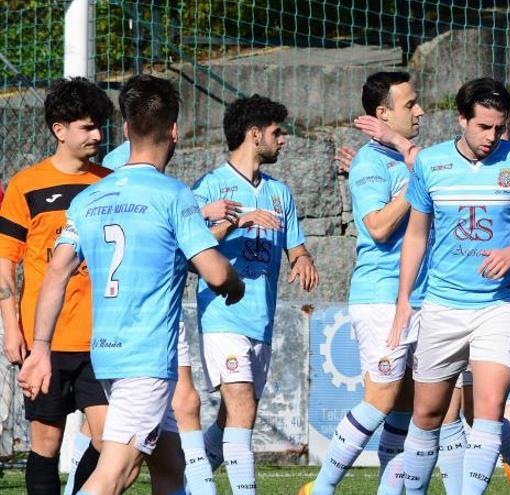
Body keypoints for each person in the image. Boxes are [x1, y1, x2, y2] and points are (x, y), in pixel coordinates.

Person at [18, 73, 245, 495]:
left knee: (170, 460)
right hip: (146, 359)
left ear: (124, 129)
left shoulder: (90, 198)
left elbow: (56, 271)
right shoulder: (173, 195)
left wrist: (41, 348)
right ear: (173, 131)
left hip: (104, 357)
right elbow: (215, 272)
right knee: (116, 473)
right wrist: (235, 284)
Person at [352, 92, 510, 495]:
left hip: (501, 305)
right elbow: (415, 234)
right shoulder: (432, 163)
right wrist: (403, 304)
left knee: (488, 408)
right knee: (427, 414)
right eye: (483, 126)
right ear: (461, 119)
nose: (492, 136)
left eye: (499, 128)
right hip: (443, 307)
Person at [304, 71, 425, 495]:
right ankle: (322, 488)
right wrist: (417, 186)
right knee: (381, 400)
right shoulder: (371, 163)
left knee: (406, 407)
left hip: (415, 297)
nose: (420, 111)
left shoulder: (396, 159)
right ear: (382, 113)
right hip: (381, 299)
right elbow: (376, 227)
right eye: (409, 104)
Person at [101, 134, 240, 495]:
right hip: (144, 317)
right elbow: (152, 230)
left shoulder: (138, 173)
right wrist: (203, 217)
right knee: (116, 467)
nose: (95, 137)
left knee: (170, 444)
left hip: (142, 316)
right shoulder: (127, 169)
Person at [194, 94, 318, 495]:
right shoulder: (209, 187)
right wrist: (234, 222)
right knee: (243, 406)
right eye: (276, 132)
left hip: (259, 321)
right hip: (222, 314)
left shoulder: (281, 193)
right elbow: (192, 249)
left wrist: (302, 259)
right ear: (254, 134)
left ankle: (187, 482)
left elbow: (294, 245)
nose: (282, 140)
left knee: (232, 415)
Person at [0, 77, 113, 495]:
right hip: (43, 341)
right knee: (45, 446)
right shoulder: (25, 185)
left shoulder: (111, 183)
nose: (97, 135)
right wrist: (12, 329)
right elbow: (5, 265)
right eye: (87, 127)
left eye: (99, 125)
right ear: (59, 130)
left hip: (100, 340)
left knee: (111, 442)